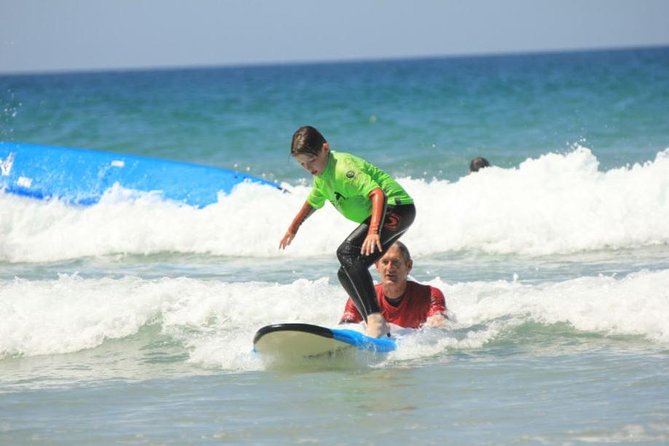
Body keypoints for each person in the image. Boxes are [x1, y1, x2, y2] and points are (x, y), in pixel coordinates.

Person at [279, 126, 416, 338]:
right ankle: (378, 326)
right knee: (346, 272)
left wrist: (373, 231)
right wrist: (293, 227)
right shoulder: (321, 176)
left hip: (397, 207)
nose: (308, 167)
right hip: (389, 214)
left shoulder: (343, 169)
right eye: (302, 164)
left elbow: (377, 193)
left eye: (311, 160)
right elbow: (313, 201)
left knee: (346, 253)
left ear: (325, 148)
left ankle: (375, 319)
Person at [339, 241, 449, 329]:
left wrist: (437, 319)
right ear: (377, 265)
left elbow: (440, 324)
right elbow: (345, 326)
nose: (390, 268)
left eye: (396, 262)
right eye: (385, 262)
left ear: (408, 266)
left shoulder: (430, 296)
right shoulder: (360, 298)